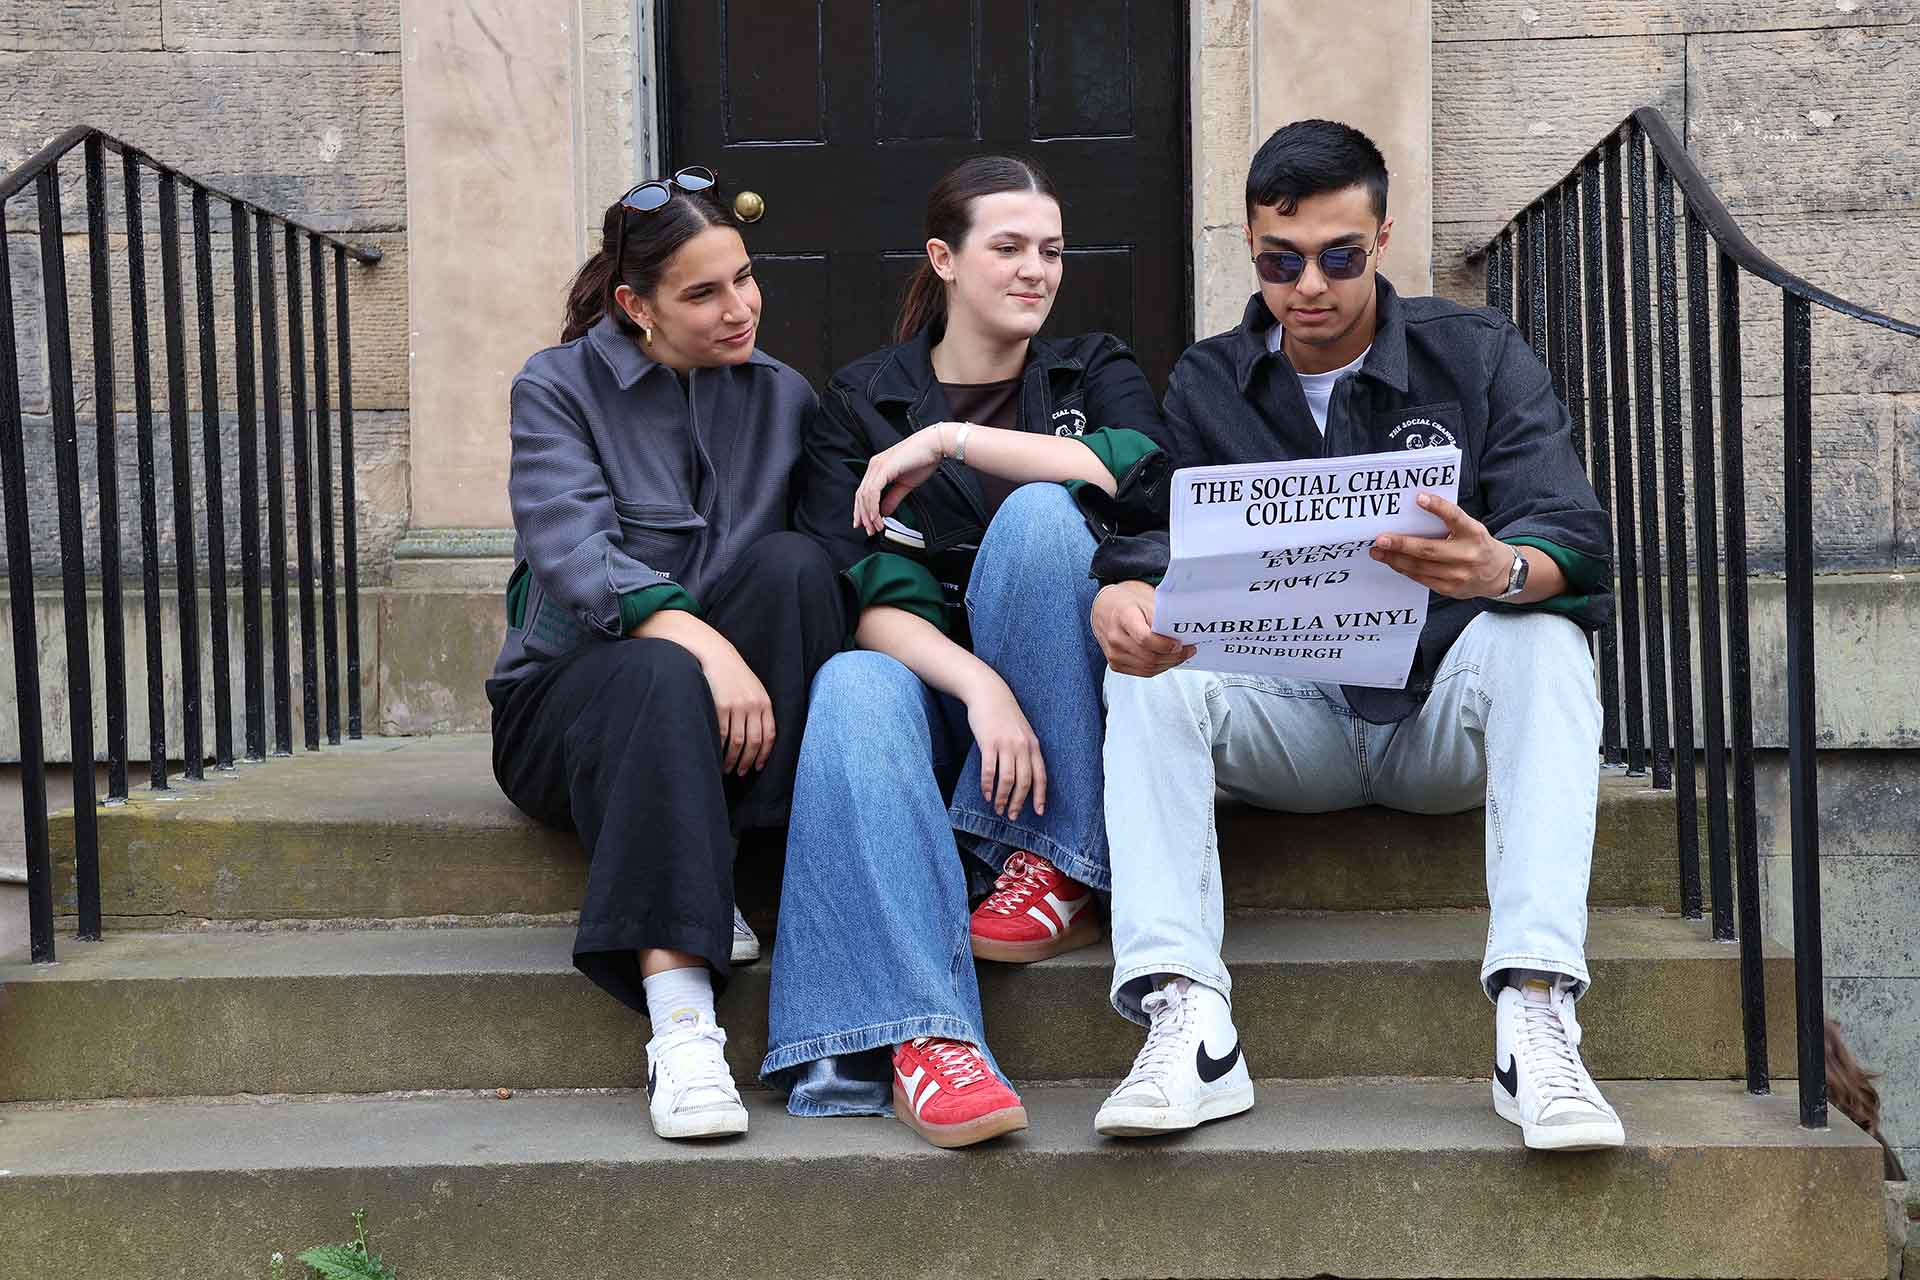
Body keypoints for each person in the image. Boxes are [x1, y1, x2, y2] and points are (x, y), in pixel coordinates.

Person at [1085, 119, 1622, 1151]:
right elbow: (1156, 536)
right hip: (1298, 720)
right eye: (1282, 262)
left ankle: (1538, 1014)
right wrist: (1121, 597)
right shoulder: (1209, 379)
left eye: (1341, 256)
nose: (1311, 286)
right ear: (1251, 247)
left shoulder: (1476, 354)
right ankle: (1185, 1018)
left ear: (1383, 234)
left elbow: (1576, 537)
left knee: (1545, 636)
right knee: (1147, 677)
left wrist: (1503, 568)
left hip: (1444, 719)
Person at [761, 155, 1170, 1148]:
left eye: (1052, 250)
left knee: (1038, 517)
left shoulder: (1092, 369)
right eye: (1009, 247)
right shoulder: (860, 402)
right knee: (854, 679)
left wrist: (951, 441)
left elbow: (1136, 475)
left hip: (1079, 703)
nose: (1037, 269)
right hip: (950, 712)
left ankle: (1059, 858)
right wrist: (980, 682)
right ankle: (928, 1037)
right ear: (944, 259)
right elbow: (865, 589)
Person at [486, 168, 846, 1141]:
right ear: (635, 304)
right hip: (571, 707)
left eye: (744, 277)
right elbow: (571, 552)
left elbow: (822, 570)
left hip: (720, 732)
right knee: (656, 668)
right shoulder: (554, 386)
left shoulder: (781, 395)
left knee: (798, 567)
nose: (741, 307)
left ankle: (733, 870)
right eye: (704, 292)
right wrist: (695, 641)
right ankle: (683, 1024)